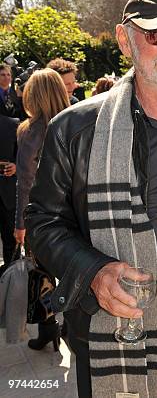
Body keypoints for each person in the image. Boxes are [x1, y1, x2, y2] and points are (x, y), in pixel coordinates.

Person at [25, 0, 157, 398]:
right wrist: (93, 271)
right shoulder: (75, 129)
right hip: (112, 319)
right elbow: (42, 223)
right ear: (125, 40)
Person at [13, 69, 70, 351]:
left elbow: (25, 182)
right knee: (75, 269)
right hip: (75, 212)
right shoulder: (79, 121)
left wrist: (19, 223)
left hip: (42, 215)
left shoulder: (30, 131)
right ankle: (70, 326)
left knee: (42, 274)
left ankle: (49, 328)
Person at [0, 114, 18, 275]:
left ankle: (11, 282)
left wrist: (15, 166)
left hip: (7, 195)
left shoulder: (13, 124)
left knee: (10, 243)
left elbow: (25, 157)